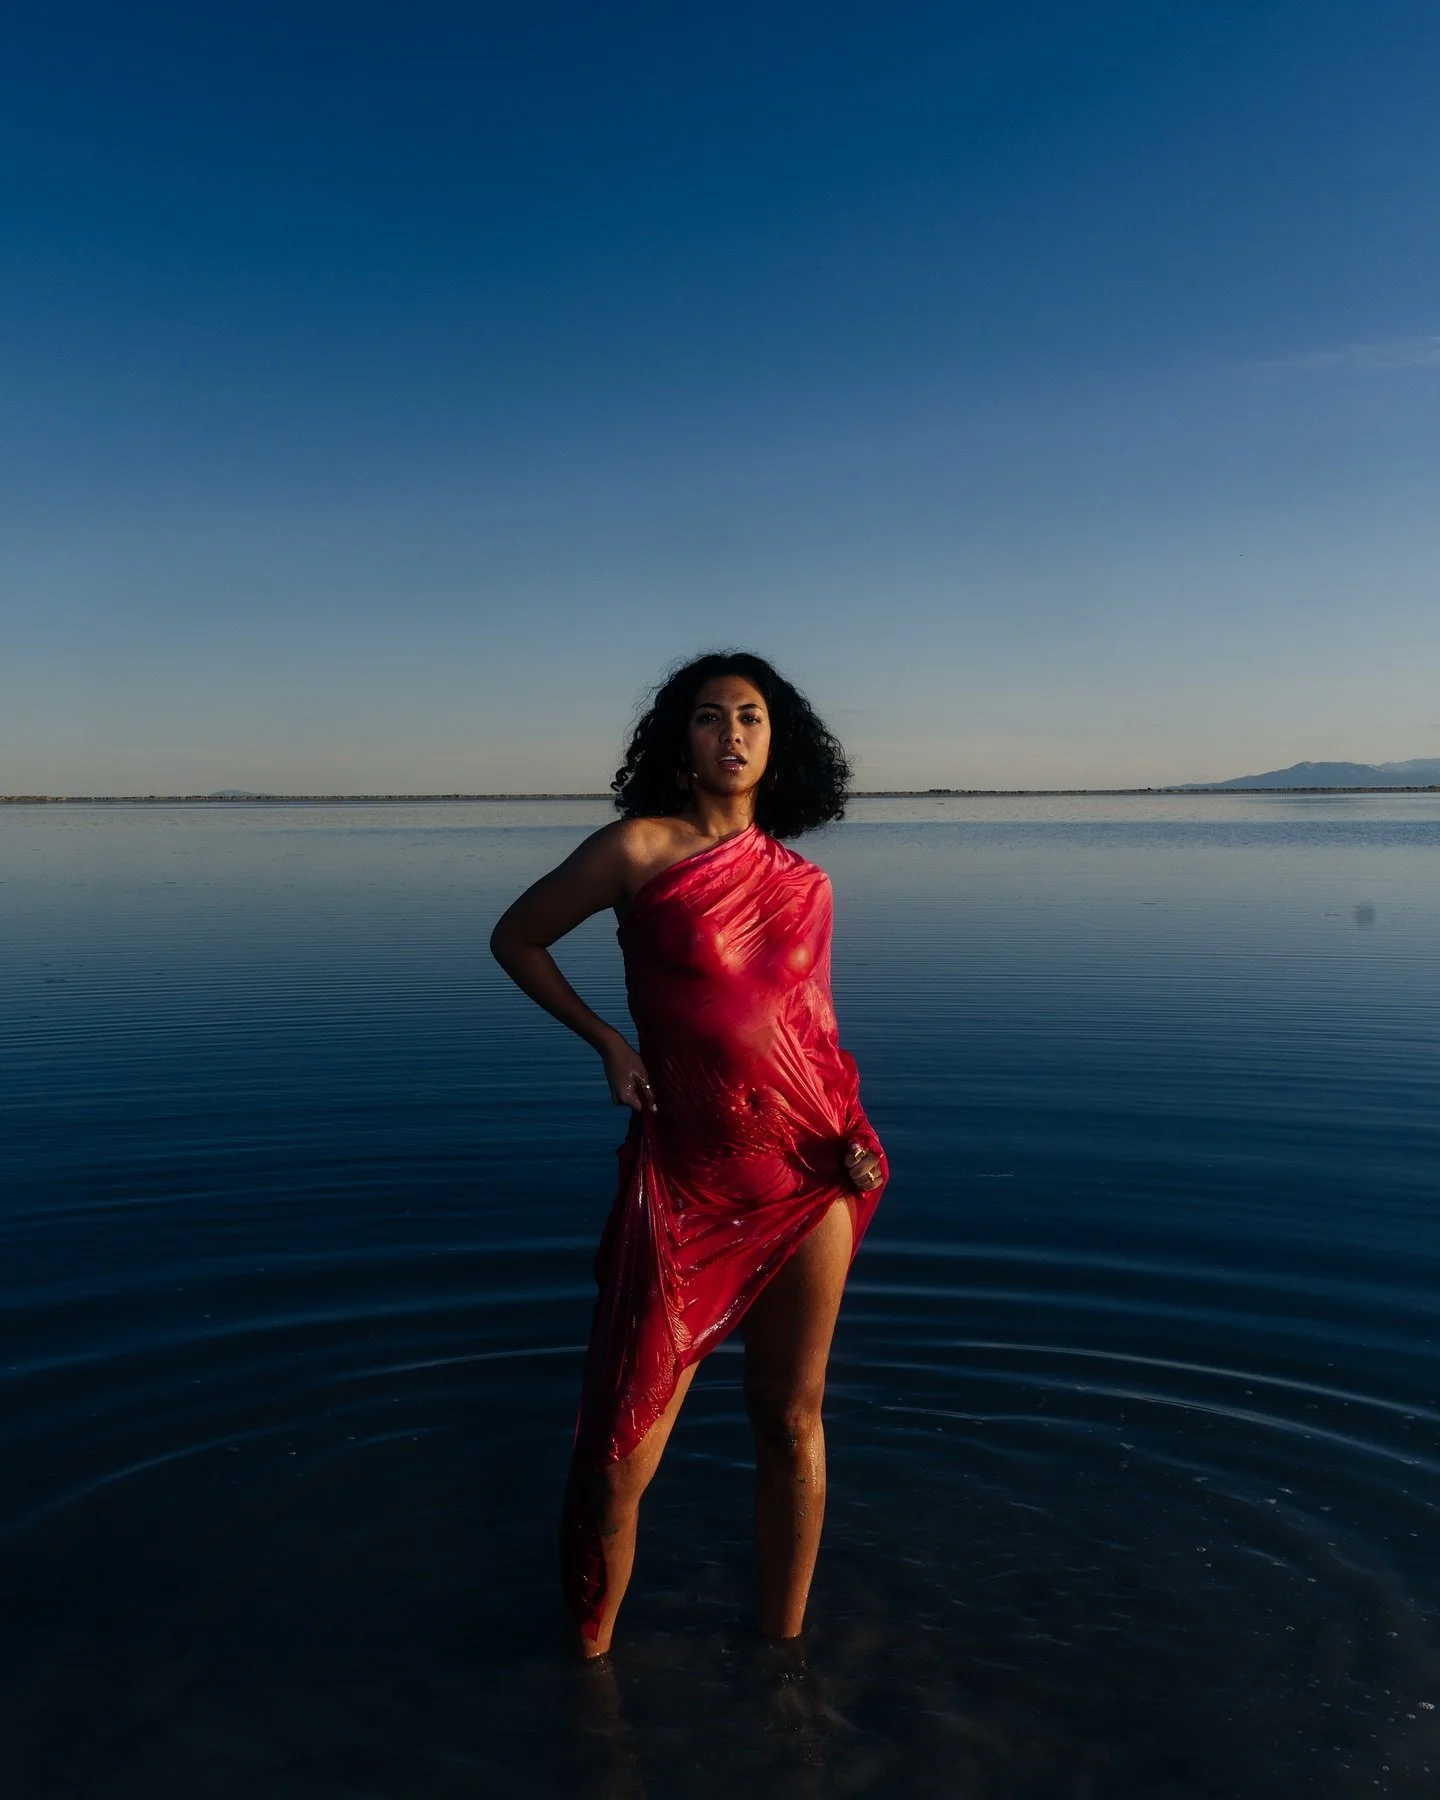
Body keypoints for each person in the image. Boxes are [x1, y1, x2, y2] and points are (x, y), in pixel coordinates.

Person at [490, 650, 887, 1658]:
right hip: (687, 1177)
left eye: (751, 717)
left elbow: (814, 1028)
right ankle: (587, 1671)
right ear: (683, 741)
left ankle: (781, 1659)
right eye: (710, 718)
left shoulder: (807, 883)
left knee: (788, 1422)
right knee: (618, 1456)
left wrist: (854, 1132)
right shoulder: (637, 852)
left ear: (776, 741)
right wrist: (609, 1042)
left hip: (807, 1175)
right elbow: (517, 937)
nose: (733, 734)